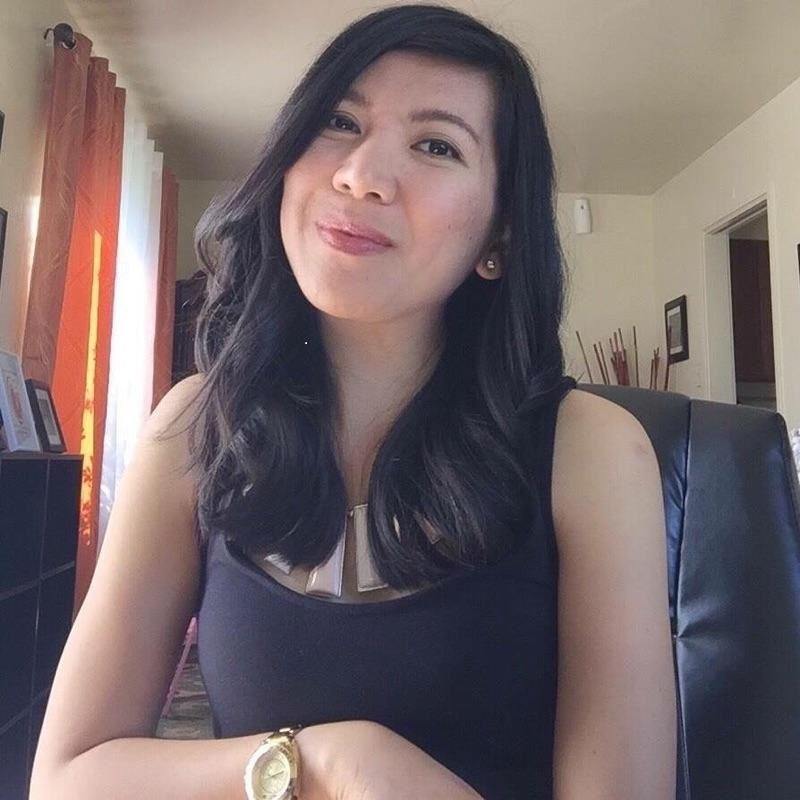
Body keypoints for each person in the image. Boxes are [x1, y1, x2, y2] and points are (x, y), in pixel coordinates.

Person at [30, 4, 677, 799]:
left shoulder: (591, 450)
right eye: (339, 122)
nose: (362, 174)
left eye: (437, 145)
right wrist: (325, 762)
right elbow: (68, 777)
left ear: (498, 236)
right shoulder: (194, 428)